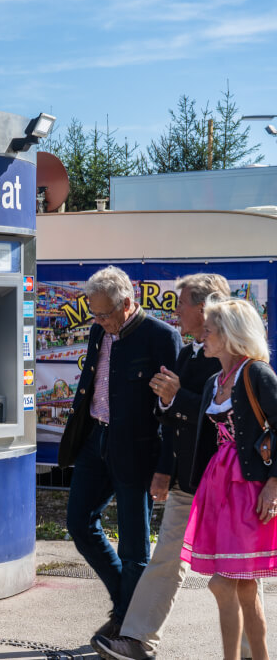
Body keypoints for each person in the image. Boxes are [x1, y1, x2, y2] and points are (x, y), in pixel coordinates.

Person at [92, 274, 238, 660]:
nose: (176, 310)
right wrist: (164, 466)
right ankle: (137, 640)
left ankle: (248, 652)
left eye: (182, 303)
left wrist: (179, 397)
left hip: (225, 482)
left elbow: (224, 417)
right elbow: (172, 419)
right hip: (187, 480)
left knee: (238, 578)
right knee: (166, 560)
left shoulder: (238, 359)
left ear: (205, 308)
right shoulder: (190, 354)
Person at [57, 266, 181, 644]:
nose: (99, 321)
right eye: (94, 313)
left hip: (138, 449)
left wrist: (165, 469)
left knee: (133, 546)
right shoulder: (100, 330)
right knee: (79, 523)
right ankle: (124, 605)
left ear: (128, 303)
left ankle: (128, 626)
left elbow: (174, 413)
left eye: (105, 314)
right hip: (97, 439)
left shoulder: (162, 337)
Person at [181, 298, 277, 660]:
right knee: (243, 588)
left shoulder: (256, 373)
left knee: (224, 583)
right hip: (218, 486)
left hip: (249, 487)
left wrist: (273, 484)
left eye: (209, 330)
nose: (201, 335)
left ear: (231, 335)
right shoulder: (213, 382)